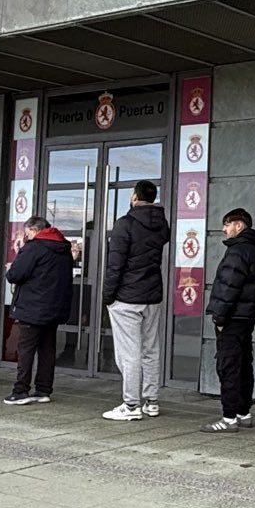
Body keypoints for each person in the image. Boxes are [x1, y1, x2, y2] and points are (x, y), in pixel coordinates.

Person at [101, 180, 171, 421]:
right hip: (152, 296)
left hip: (127, 297)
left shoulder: (126, 223)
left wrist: (108, 295)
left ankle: (131, 405)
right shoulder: (161, 224)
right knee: (150, 349)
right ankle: (152, 401)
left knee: (129, 353)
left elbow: (115, 264)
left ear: (134, 196)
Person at [202, 209, 255, 433]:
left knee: (228, 365)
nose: (224, 229)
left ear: (239, 226)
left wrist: (220, 317)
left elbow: (229, 287)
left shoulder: (237, 252)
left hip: (232, 317)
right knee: (243, 365)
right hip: (246, 317)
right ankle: (243, 412)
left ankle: (229, 418)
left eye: (227, 224)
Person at [3, 215, 73, 404]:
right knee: (47, 349)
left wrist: (12, 266)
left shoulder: (34, 247)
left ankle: (20, 391)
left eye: (27, 233)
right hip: (55, 307)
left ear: (34, 230)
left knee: (25, 349)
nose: (26, 237)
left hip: (32, 307)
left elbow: (15, 274)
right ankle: (43, 390)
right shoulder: (64, 248)